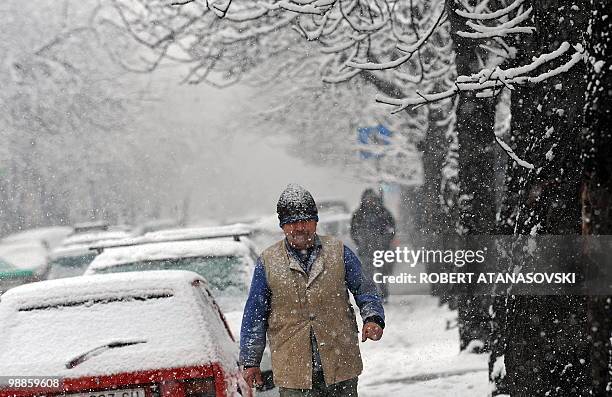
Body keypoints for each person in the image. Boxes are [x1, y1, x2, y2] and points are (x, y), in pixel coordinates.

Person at [240, 184, 385, 397]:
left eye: (305, 221)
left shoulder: (338, 252)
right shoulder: (268, 262)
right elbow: (255, 315)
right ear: (283, 226)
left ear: (316, 222)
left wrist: (373, 318)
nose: (300, 228)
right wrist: (250, 361)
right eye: (292, 223)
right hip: (294, 372)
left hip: (340, 366)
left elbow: (366, 290)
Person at [350, 188, 396, 302]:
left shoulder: (383, 212)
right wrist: (361, 242)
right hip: (366, 250)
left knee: (382, 273)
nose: (370, 201)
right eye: (368, 199)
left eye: (371, 199)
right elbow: (354, 231)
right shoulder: (359, 214)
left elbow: (391, 228)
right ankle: (372, 295)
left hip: (381, 249)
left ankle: (383, 294)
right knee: (368, 274)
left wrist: (385, 240)